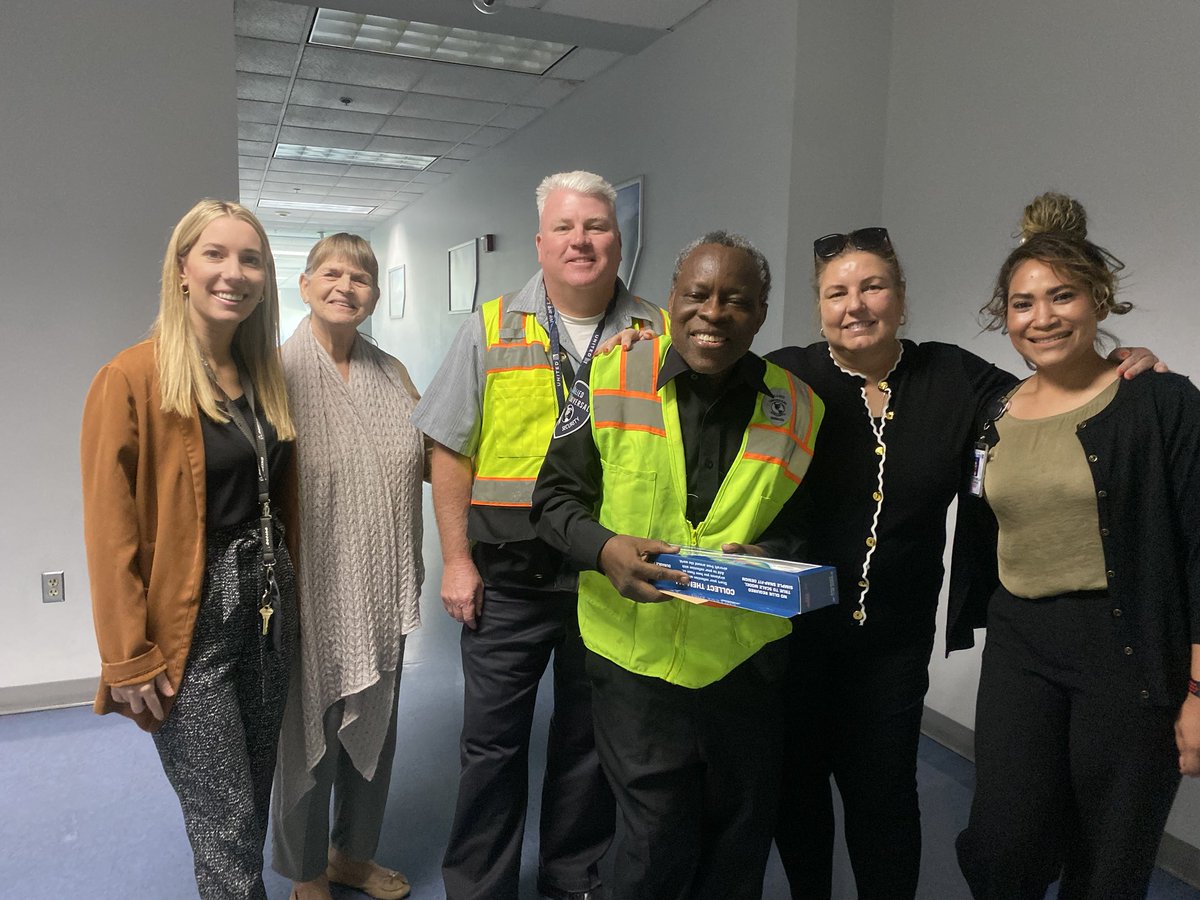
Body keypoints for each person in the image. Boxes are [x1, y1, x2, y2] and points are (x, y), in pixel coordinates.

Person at [604, 224, 1162, 899]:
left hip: (892, 646)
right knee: (796, 797)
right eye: (837, 292)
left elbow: (1050, 395)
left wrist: (1120, 369)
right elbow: (699, 360)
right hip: (789, 639)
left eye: (873, 287)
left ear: (900, 297)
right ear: (819, 306)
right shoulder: (783, 378)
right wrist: (635, 345)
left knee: (886, 804)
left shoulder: (956, 378)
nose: (855, 304)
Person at [533, 231, 823, 900]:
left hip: (743, 665)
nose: (713, 313)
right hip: (635, 661)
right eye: (697, 294)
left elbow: (808, 527)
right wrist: (604, 549)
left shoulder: (800, 407)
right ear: (670, 301)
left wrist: (774, 557)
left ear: (761, 309)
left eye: (736, 300)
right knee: (653, 838)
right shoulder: (607, 373)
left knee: (737, 841)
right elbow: (553, 501)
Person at [411, 170, 665, 900]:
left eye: (596, 226)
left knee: (588, 748)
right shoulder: (491, 327)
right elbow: (450, 450)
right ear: (540, 241)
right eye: (566, 227)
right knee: (491, 748)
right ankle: (480, 888)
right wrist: (456, 562)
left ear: (619, 240)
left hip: (606, 575)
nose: (581, 240)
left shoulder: (657, 331)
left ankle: (570, 882)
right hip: (508, 580)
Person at [952, 193, 1200, 899]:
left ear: (1098, 299)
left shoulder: (1158, 401)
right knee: (1003, 845)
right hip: (1021, 642)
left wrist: (1198, 691)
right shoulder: (992, 410)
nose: (1043, 317)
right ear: (1005, 316)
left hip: (1125, 648)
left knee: (1108, 859)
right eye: (1023, 304)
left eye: (1062, 296)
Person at [80, 199, 298, 900]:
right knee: (224, 820)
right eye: (215, 254)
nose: (233, 272)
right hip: (191, 626)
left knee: (252, 805)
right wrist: (126, 654)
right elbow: (107, 528)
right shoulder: (132, 378)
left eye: (250, 258)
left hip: (269, 616)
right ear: (181, 270)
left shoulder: (263, 377)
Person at [270, 233, 426, 900]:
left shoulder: (393, 374)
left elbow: (434, 457)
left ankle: (352, 854)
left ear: (375, 294)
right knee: (305, 735)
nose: (345, 285)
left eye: (360, 276)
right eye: (330, 273)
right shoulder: (274, 376)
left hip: (381, 584)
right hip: (308, 586)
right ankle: (307, 870)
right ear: (304, 286)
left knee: (377, 726)